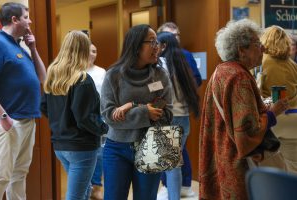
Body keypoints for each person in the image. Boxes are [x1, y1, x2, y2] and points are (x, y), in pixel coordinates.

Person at [199, 19, 289, 200]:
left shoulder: (221, 71)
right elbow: (247, 132)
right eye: (257, 44)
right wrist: (272, 112)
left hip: (221, 155)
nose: (263, 49)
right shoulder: (240, 77)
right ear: (241, 50)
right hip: (238, 164)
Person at [100, 24, 173, 200]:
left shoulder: (160, 76)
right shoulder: (114, 75)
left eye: (158, 42)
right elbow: (109, 115)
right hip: (116, 147)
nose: (157, 47)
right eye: (152, 42)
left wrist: (130, 106)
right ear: (136, 45)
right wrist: (143, 111)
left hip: (152, 145)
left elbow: (166, 114)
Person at [40, 31, 108, 200]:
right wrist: (104, 128)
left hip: (61, 145)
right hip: (81, 146)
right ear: (84, 50)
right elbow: (84, 118)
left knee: (84, 190)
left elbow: (43, 106)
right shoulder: (83, 79)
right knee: (75, 196)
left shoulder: (54, 75)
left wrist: (62, 123)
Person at [0, 2, 46, 199]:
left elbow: (43, 78)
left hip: (27, 120)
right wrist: (4, 116)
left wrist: (33, 48)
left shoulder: (19, 46)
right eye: (26, 17)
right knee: (1, 176)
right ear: (14, 19)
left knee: (19, 174)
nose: (30, 20)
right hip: (10, 122)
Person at [157, 21, 201, 199]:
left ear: (164, 46)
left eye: (157, 44)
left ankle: (172, 196)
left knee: (170, 164)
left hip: (169, 119)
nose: (155, 47)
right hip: (183, 119)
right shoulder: (183, 64)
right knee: (174, 162)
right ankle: (175, 193)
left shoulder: (161, 66)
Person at [260, 26, 297, 173]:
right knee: (294, 165)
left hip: (276, 119)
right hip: (294, 118)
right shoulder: (292, 64)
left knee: (276, 166)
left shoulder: (261, 63)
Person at [87, 43, 106, 200]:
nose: (93, 54)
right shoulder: (75, 71)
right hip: (80, 118)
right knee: (83, 152)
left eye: (95, 50)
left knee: (99, 153)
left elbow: (106, 95)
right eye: (89, 51)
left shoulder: (101, 72)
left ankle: (97, 186)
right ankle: (86, 186)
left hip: (99, 116)